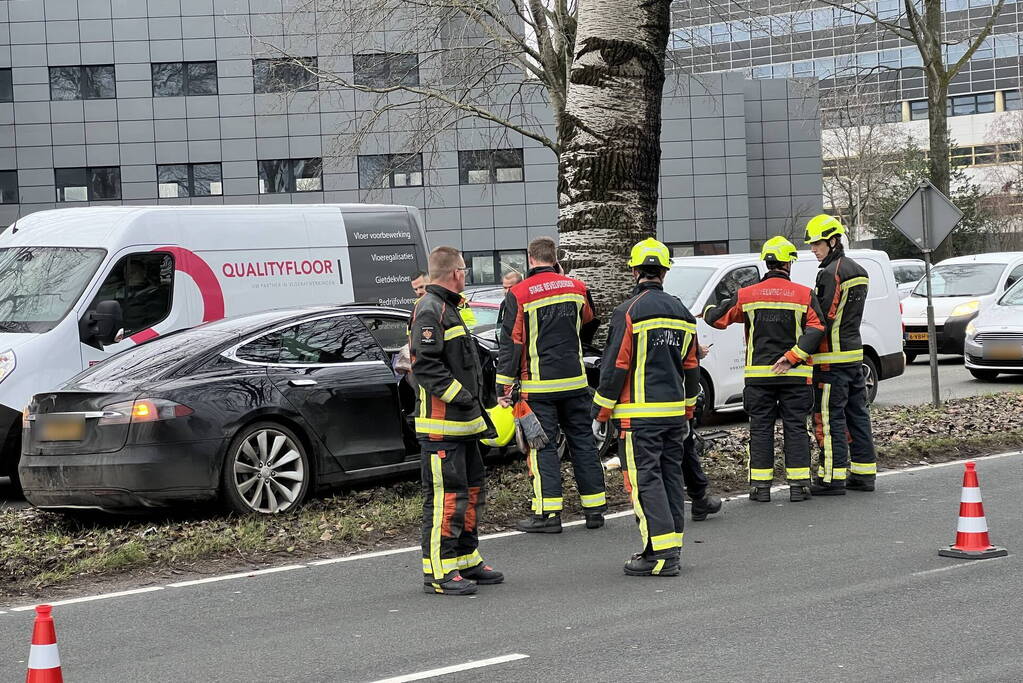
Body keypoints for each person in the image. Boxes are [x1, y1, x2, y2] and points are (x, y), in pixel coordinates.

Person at [592, 238, 699, 577]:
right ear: (664, 272)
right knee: (670, 477)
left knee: (645, 481)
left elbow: (615, 366)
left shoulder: (629, 311)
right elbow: (692, 365)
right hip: (671, 414)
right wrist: (688, 410)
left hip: (638, 417)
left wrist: (600, 413)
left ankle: (662, 556)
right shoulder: (682, 312)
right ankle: (670, 547)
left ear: (636, 271)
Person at [497, 236, 607, 533]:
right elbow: (590, 321)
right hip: (575, 382)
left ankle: (548, 515)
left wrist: (503, 388)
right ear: (554, 257)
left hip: (539, 388)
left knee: (542, 446)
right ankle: (595, 509)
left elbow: (511, 342)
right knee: (583, 443)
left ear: (530, 259)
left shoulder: (520, 293)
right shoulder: (577, 287)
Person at [703, 236, 826, 502]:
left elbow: (717, 318)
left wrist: (710, 306)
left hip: (759, 378)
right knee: (795, 427)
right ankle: (798, 486)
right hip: (795, 375)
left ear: (767, 263)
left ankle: (760, 488)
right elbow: (817, 328)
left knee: (760, 429)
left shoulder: (747, 294)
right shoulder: (804, 294)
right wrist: (792, 357)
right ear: (787, 264)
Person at [410, 246, 502, 596]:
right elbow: (426, 366)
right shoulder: (430, 309)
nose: (466, 275)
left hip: (465, 426)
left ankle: (466, 559)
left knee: (472, 493)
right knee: (446, 499)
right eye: (464, 269)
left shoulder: (450, 308)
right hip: (441, 428)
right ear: (455, 273)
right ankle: (438, 571)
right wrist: (463, 398)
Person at [804, 215, 877, 495]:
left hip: (829, 360)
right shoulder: (860, 270)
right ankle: (864, 472)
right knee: (858, 414)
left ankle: (832, 478)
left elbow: (823, 316)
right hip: (853, 355)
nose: (813, 249)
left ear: (833, 241)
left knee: (829, 417)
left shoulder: (830, 272)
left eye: (817, 243)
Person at [496, 270, 524, 339]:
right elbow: (500, 328)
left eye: (510, 287)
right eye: (504, 288)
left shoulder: (525, 303)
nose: (507, 291)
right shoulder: (504, 304)